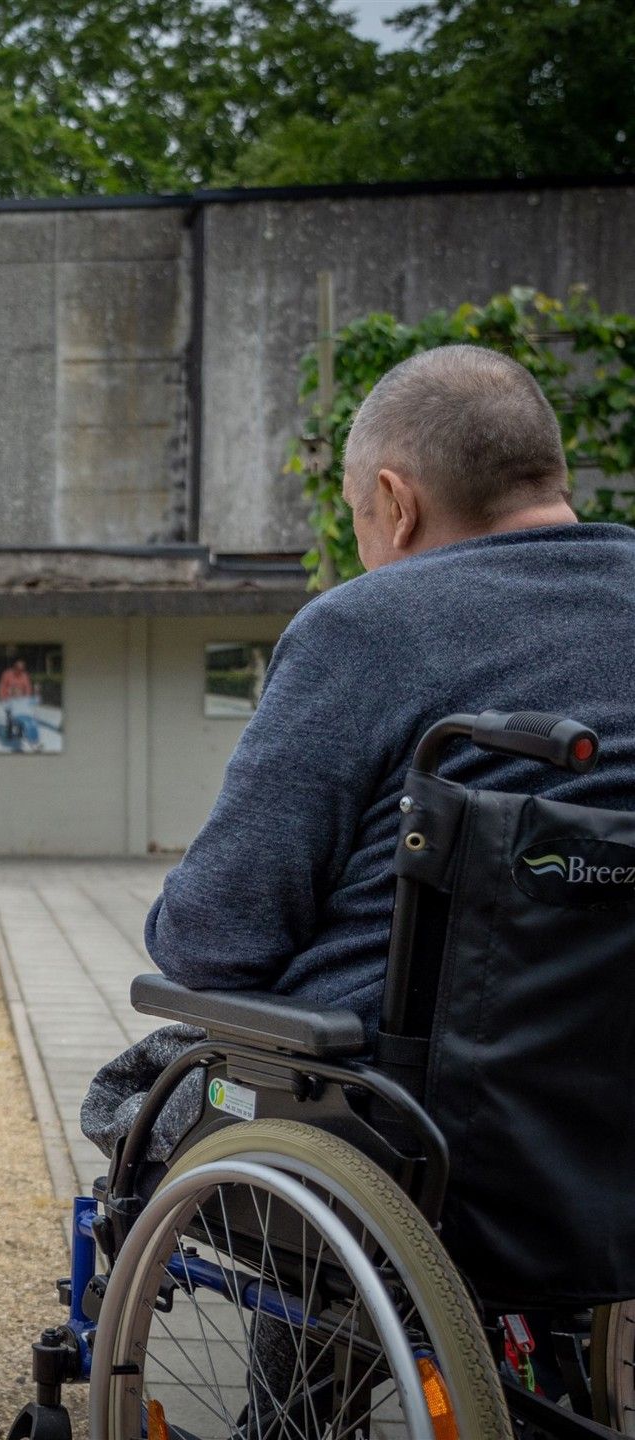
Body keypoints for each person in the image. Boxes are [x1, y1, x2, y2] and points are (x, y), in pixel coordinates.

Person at [82, 344, 635, 1161]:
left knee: (130, 1094)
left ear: (394, 501)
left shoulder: (368, 627)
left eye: (356, 517)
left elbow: (215, 935)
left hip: (408, 1126)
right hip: (608, 1115)